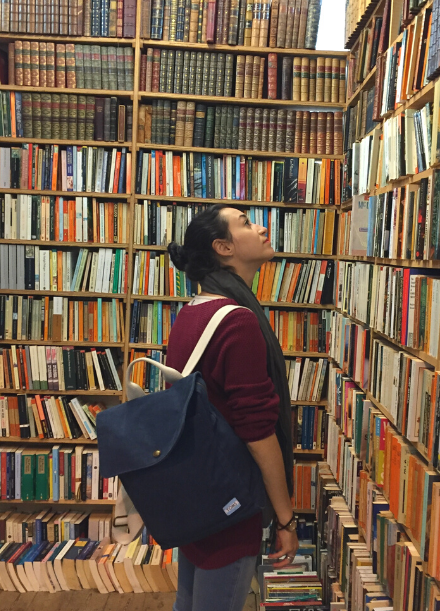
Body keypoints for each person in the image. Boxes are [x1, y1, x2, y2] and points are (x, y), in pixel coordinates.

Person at [166, 204, 297, 611]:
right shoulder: (236, 320)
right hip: (230, 501)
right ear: (223, 247)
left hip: (195, 490)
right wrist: (286, 519)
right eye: (245, 223)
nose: (260, 228)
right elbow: (258, 432)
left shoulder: (194, 310)